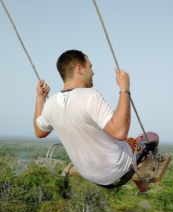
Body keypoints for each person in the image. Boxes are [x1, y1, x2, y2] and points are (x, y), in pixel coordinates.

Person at [34, 50, 159, 192]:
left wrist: (40, 97)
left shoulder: (51, 104)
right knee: (152, 136)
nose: (93, 72)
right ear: (79, 69)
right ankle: (142, 183)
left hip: (87, 172)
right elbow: (119, 132)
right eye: (90, 67)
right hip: (114, 169)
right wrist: (124, 88)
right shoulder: (89, 96)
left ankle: (136, 176)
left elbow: (39, 132)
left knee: (117, 140)